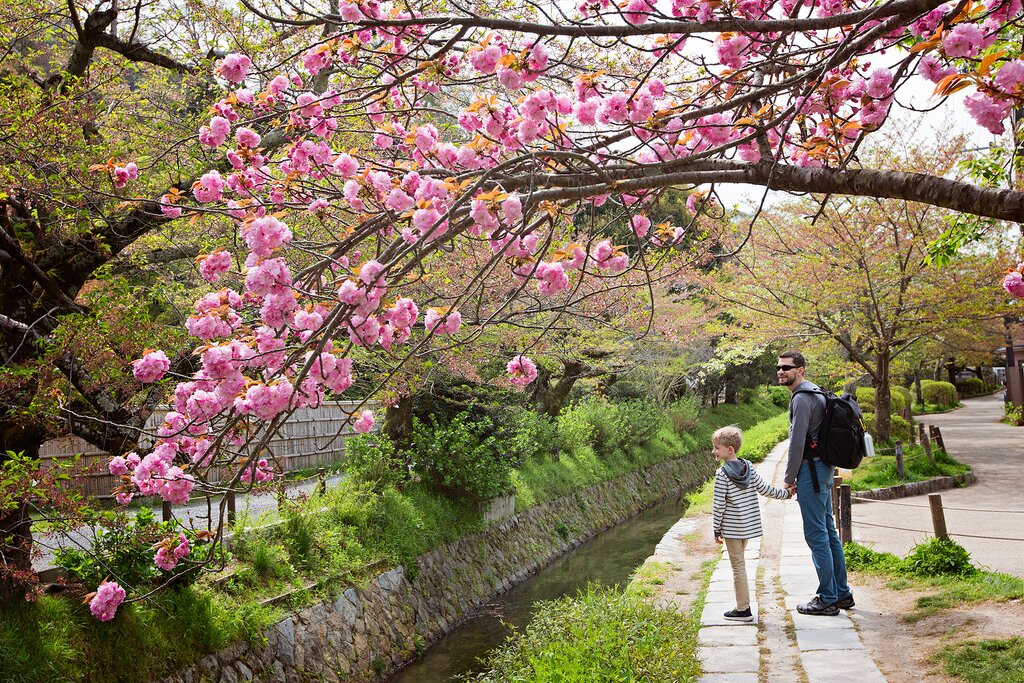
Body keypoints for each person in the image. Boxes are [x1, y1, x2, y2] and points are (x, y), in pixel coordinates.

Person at [778, 351, 854, 616]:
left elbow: (797, 442)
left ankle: (828, 598)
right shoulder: (817, 392)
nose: (781, 371)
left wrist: (789, 479)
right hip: (824, 468)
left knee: (816, 535)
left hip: (811, 471)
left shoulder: (801, 398)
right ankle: (842, 593)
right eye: (779, 367)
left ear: (800, 370)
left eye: (787, 367)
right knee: (828, 532)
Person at [711, 425, 790, 623]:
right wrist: (786, 494)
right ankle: (743, 606)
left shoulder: (722, 474)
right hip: (747, 528)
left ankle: (743, 610)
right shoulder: (748, 467)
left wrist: (716, 529)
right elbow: (765, 489)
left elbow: (719, 506)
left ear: (730, 449)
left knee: (738, 567)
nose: (714, 451)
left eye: (717, 448)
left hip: (732, 529)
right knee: (741, 565)